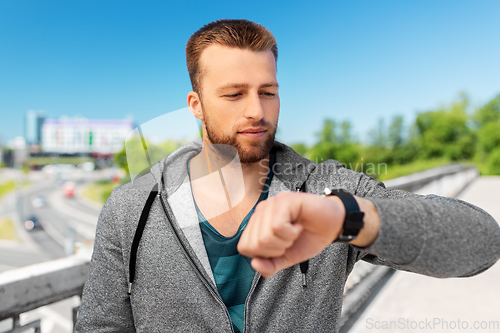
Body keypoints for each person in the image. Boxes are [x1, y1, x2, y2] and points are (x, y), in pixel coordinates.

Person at [75, 19, 500, 333]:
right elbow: (100, 326)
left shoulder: (329, 191)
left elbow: (480, 242)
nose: (256, 111)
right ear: (196, 104)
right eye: (234, 94)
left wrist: (346, 220)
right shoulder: (132, 208)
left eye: (268, 92)